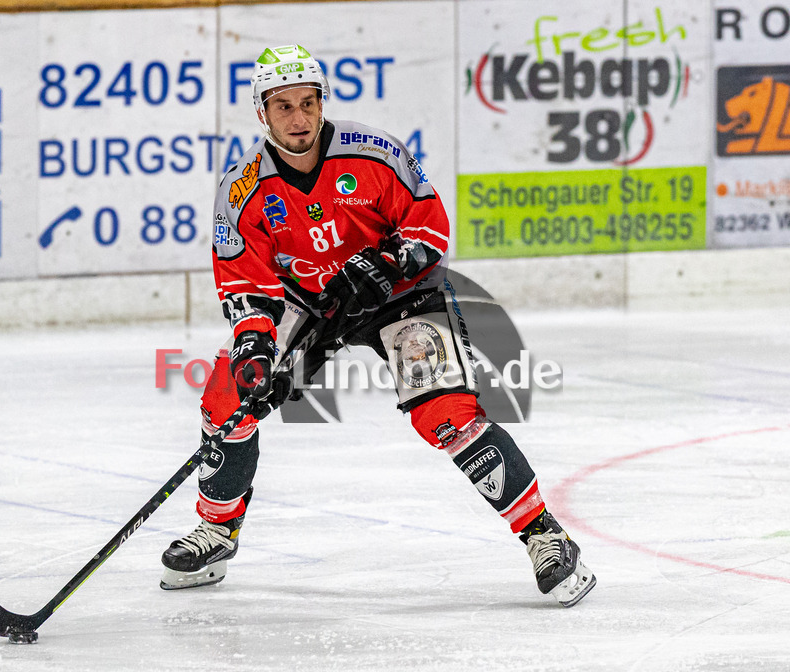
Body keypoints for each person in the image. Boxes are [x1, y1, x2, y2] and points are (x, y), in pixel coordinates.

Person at [159, 45, 596, 607]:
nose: (299, 118)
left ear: (322, 103)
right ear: (261, 113)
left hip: (402, 299)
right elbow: (249, 287)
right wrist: (255, 351)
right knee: (227, 396)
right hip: (309, 305)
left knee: (448, 414)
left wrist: (387, 264)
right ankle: (218, 532)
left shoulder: (373, 154)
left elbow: (429, 227)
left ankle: (546, 537)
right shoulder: (241, 191)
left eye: (308, 103)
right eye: (284, 106)